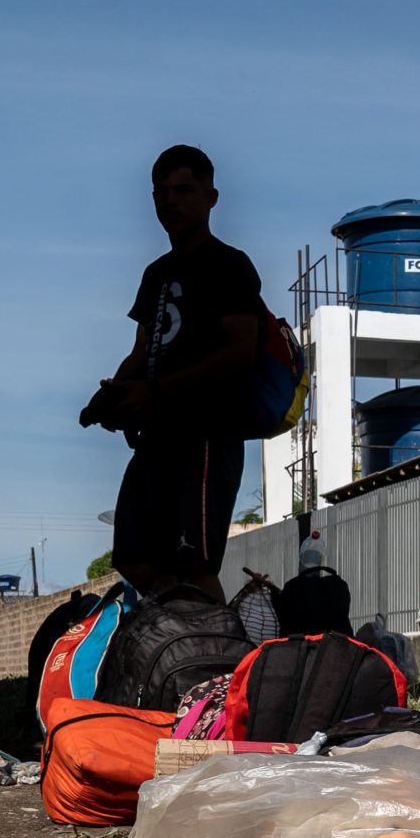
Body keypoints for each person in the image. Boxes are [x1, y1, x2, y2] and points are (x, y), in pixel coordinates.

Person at [84, 144, 261, 600]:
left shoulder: (229, 265)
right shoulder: (156, 274)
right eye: (160, 191)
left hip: (207, 435)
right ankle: (180, 637)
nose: (170, 201)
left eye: (184, 189)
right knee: (132, 555)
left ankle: (219, 662)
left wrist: (156, 392)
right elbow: (144, 350)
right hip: (158, 435)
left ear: (211, 197)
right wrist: (115, 396)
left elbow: (241, 351)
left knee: (194, 563)